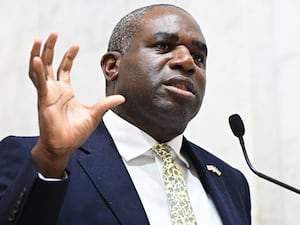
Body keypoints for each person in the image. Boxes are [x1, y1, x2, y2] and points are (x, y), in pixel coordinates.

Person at [0, 4, 251, 225]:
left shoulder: (231, 182)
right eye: (163, 46)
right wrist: (50, 161)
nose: (187, 62)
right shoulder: (32, 158)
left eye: (199, 57)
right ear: (112, 66)